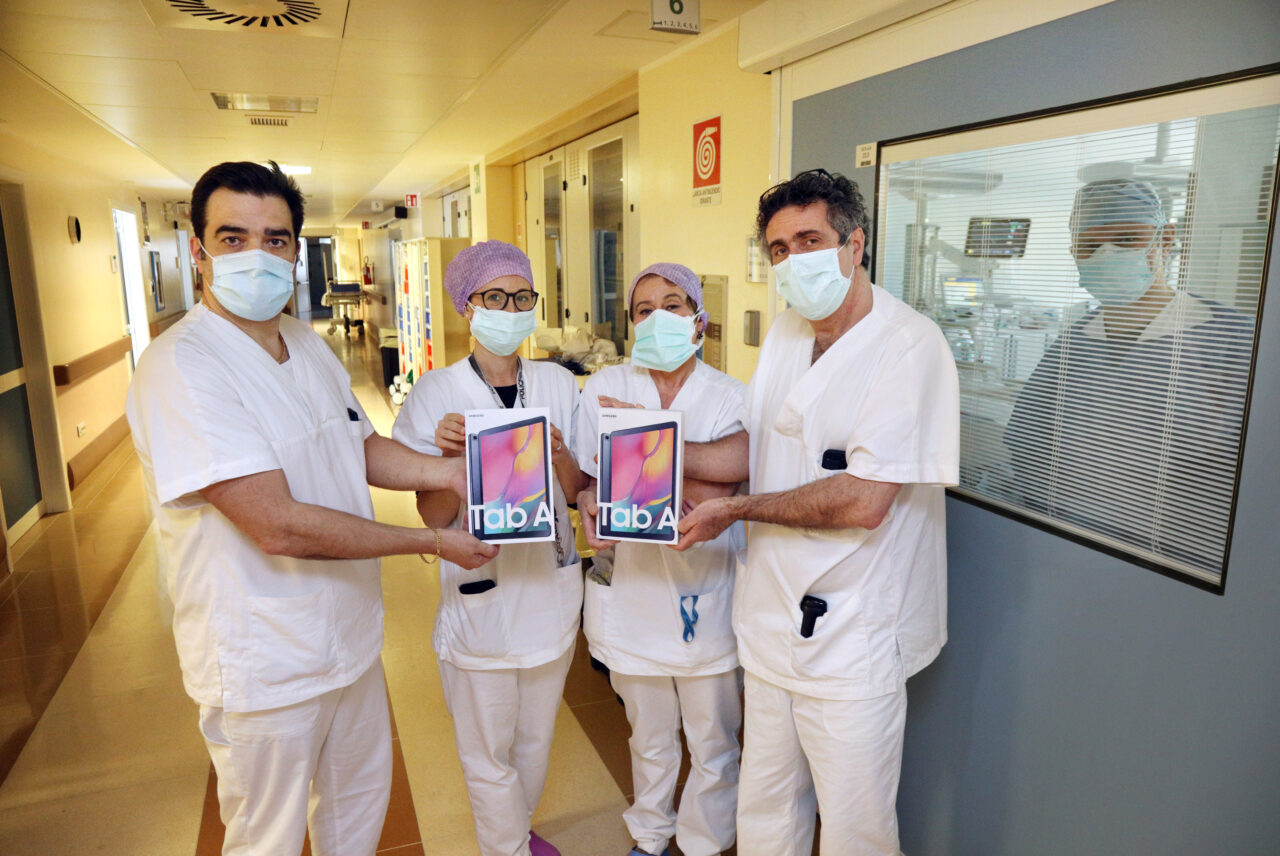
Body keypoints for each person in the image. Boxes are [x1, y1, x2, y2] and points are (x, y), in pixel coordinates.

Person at [125, 161, 496, 856]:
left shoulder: (308, 345)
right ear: (199, 249)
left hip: (348, 642)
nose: (256, 256)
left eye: (275, 238)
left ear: (296, 249)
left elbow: (360, 448)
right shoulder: (182, 366)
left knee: (355, 818)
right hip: (262, 660)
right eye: (233, 239)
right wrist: (432, 544)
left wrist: (459, 472)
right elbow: (277, 523)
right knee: (265, 837)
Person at [675, 169, 960, 855]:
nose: (793, 260)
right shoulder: (785, 333)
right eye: (778, 248)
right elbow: (758, 442)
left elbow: (865, 499)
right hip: (771, 623)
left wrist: (736, 510)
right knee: (767, 809)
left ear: (853, 245)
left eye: (809, 239)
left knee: (855, 829)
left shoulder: (909, 346)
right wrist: (661, 455)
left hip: (854, 638)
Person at [391, 240, 588, 856]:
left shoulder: (559, 383)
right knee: (485, 747)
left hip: (552, 594)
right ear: (466, 307)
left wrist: (559, 455)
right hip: (483, 596)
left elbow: (579, 490)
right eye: (494, 297)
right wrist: (447, 463)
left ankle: (515, 832)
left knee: (535, 739)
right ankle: (504, 849)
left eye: (521, 296)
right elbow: (433, 515)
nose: (510, 308)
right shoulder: (436, 394)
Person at [574, 262, 746, 856]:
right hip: (632, 588)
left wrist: (644, 437)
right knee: (647, 731)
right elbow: (590, 475)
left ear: (698, 321)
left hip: (706, 587)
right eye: (644, 309)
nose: (657, 318)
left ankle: (703, 842)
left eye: (672, 305)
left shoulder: (730, 396)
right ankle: (650, 833)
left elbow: (724, 483)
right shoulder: (602, 389)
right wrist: (588, 498)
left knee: (713, 738)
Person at [1003, 177, 1252, 571]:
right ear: (1074, 254)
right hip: (1065, 549)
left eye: (1126, 239)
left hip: (1179, 568)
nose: (1107, 255)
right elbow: (1028, 448)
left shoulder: (1230, 343)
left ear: (1165, 239)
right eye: (1090, 246)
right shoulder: (1073, 346)